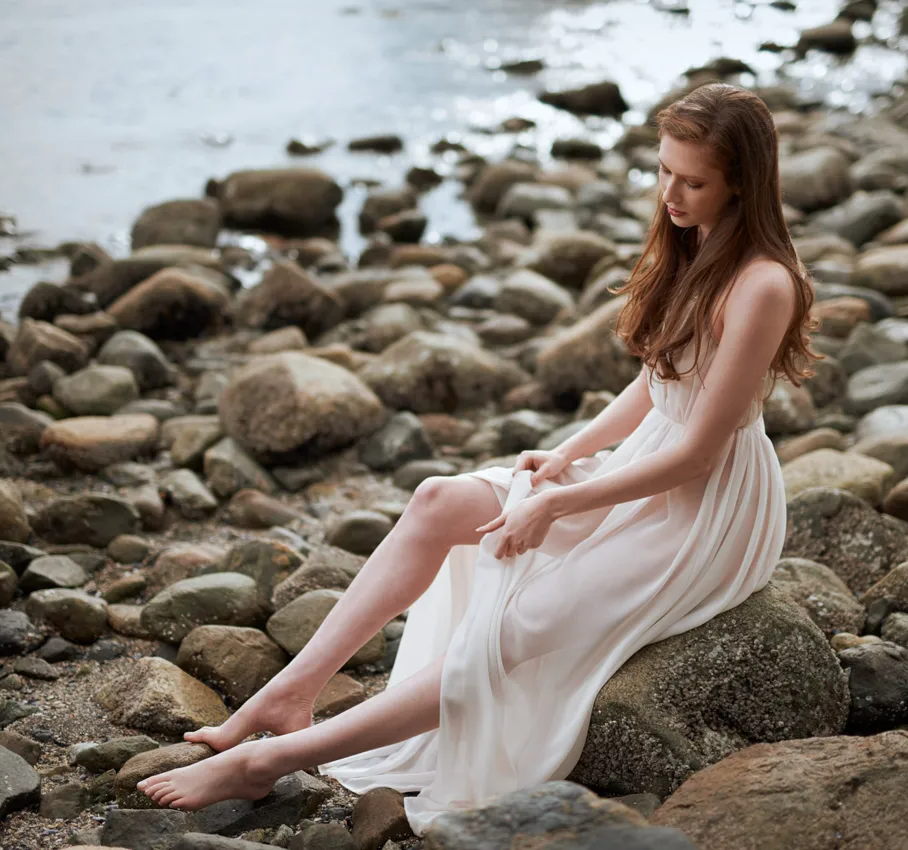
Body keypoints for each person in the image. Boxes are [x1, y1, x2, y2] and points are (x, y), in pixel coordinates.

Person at [137, 82, 820, 833]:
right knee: (438, 500)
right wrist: (566, 456)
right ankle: (288, 694)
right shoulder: (695, 242)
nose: (671, 194)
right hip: (651, 463)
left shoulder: (762, 284)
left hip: (708, 512)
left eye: (692, 181)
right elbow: (660, 381)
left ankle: (265, 761)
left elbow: (696, 452)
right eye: (663, 172)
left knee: (508, 627)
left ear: (742, 183)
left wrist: (555, 504)